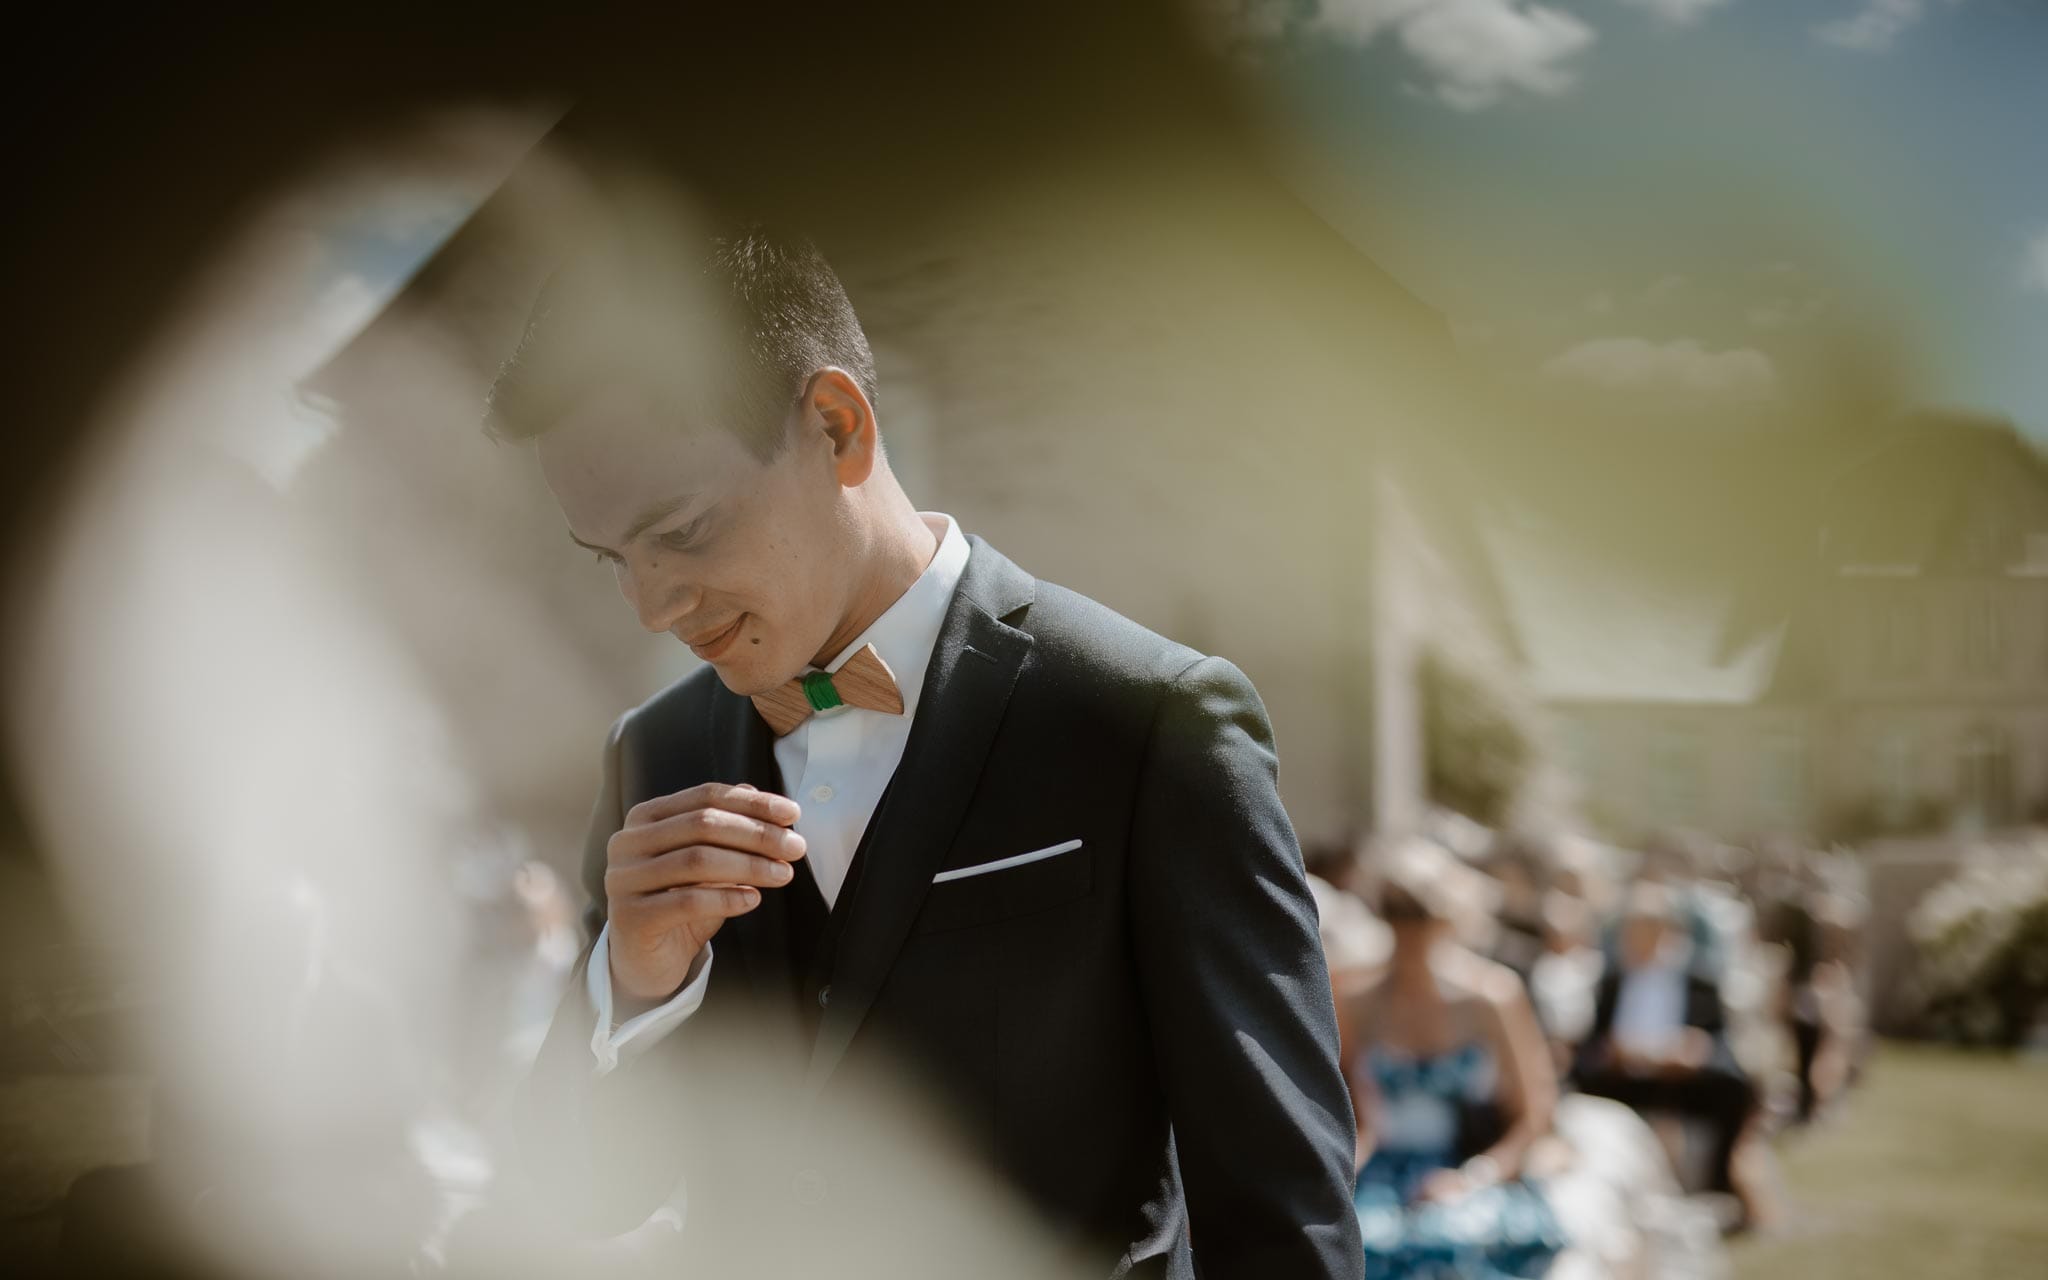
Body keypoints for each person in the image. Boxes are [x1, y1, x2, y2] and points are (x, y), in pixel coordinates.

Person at [500, 216, 1361, 1277]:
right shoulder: (652, 751)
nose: (651, 607)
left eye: (680, 533)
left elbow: (1281, 1212)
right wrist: (628, 984)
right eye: (609, 560)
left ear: (835, 424)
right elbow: (577, 1195)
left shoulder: (1149, 719)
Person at [1338, 838, 1567, 1280]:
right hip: (1381, 1174)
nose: (1410, 931)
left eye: (1420, 914)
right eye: (1397, 912)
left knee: (1467, 1240)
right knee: (1361, 1245)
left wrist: (1474, 1177)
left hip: (1467, 1166)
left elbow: (1535, 1114)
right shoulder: (1353, 997)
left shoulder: (1492, 997)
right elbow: (1353, 1113)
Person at [1572, 883, 1760, 1217]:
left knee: (1736, 1086)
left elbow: (1719, 1043)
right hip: (1624, 1078)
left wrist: (1694, 1050)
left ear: (1664, 932)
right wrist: (1610, 1052)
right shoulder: (1613, 980)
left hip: (1683, 1077)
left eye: (1642, 930)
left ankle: (1717, 1185)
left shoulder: (1699, 980)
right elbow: (1591, 1044)